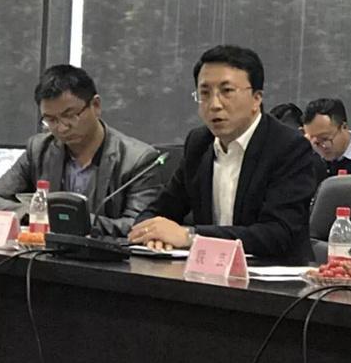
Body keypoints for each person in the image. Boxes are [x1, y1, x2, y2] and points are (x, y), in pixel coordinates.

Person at [129, 45, 317, 265]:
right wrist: (151, 232)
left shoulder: (289, 147)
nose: (214, 105)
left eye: (227, 91)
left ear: (256, 98)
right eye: (205, 93)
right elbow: (161, 209)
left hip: (274, 277)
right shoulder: (199, 143)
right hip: (209, 273)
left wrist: (191, 237)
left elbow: (277, 233)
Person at [0, 65, 161, 236]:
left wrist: (72, 219)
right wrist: (35, 213)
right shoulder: (39, 149)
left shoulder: (138, 159)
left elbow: (141, 226)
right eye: (51, 120)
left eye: (70, 115)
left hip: (104, 253)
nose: (62, 128)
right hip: (47, 250)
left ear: (96, 105)